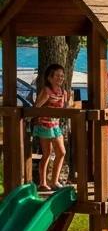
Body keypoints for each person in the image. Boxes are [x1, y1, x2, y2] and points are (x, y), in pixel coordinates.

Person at [33, 63, 68, 192]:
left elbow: (64, 108)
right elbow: (36, 106)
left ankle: (54, 181)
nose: (60, 78)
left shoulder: (63, 92)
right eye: (57, 75)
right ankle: (43, 182)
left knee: (61, 152)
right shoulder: (46, 91)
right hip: (45, 125)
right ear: (49, 78)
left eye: (62, 76)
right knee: (47, 153)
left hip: (56, 125)